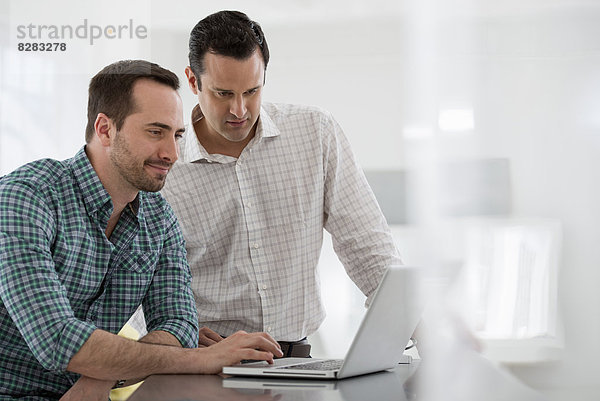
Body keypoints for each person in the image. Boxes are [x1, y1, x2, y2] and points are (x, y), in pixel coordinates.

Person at [0, 59, 282, 401]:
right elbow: (57, 340)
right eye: (155, 132)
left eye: (176, 135)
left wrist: (100, 378)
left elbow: (180, 325)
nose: (172, 153)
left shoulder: (160, 219)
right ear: (105, 129)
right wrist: (197, 359)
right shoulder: (25, 198)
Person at [161, 11, 403, 356]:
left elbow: (366, 243)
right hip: (206, 363)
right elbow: (144, 278)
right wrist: (177, 330)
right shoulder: (166, 165)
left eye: (252, 90)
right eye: (223, 93)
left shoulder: (315, 132)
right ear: (193, 81)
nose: (239, 110)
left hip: (296, 358)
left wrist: (417, 323)